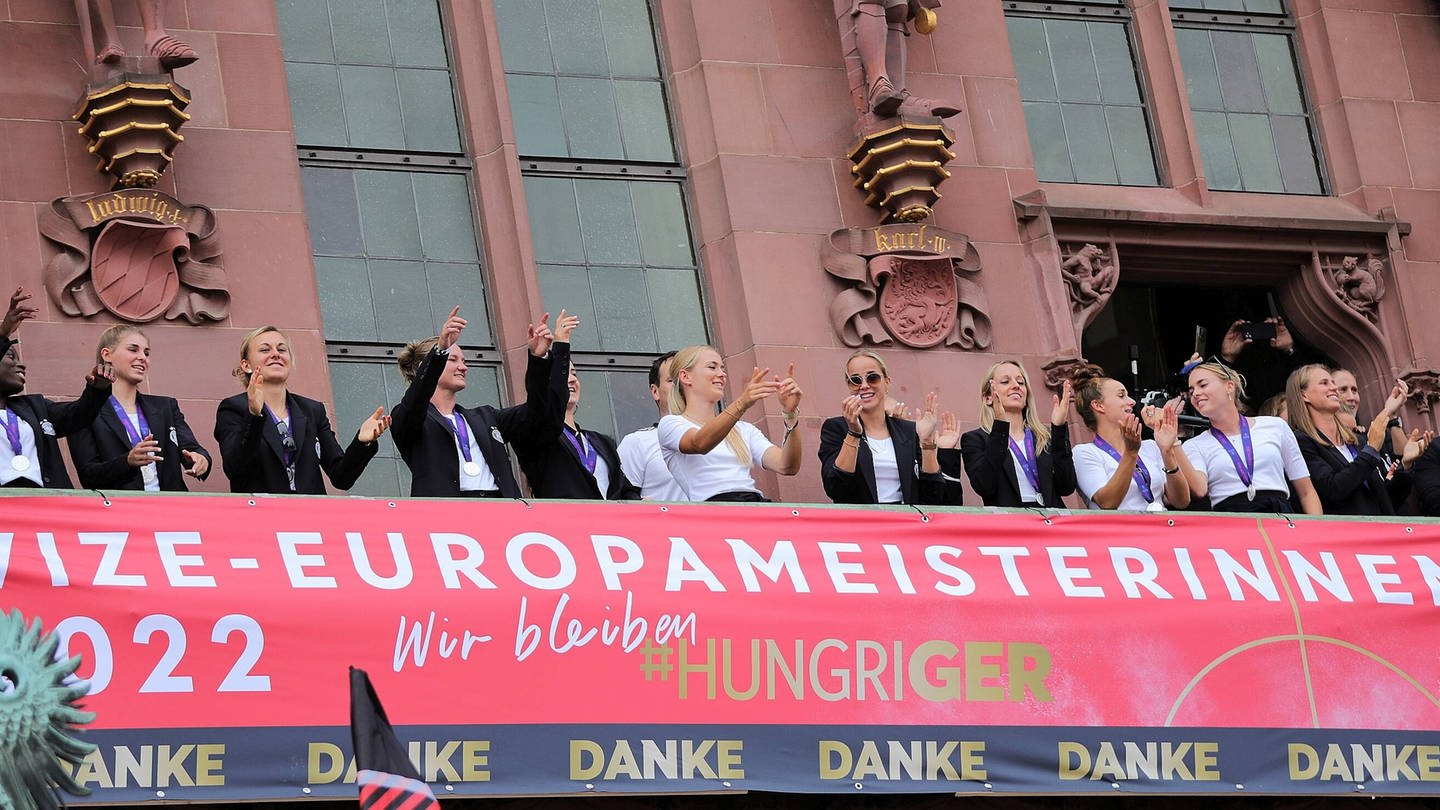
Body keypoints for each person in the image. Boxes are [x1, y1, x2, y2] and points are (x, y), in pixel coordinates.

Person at [391, 308, 572, 498]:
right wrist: (440, 350)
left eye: (464, 361)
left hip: (500, 511)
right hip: (447, 515)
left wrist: (539, 359)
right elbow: (415, 401)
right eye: (453, 359)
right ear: (424, 366)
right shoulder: (409, 418)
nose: (463, 367)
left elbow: (541, 415)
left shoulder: (486, 418)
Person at [214, 325, 390, 494]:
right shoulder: (233, 409)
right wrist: (255, 416)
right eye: (265, 350)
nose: (275, 354)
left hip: (309, 518)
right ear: (246, 365)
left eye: (282, 350)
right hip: (261, 517)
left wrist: (362, 442)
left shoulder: (312, 410)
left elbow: (341, 477)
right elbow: (235, 469)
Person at [68, 324, 211, 491]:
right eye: (133, 350)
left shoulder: (166, 407)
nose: (143, 357)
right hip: (119, 510)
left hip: (171, 509)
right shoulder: (83, 412)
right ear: (107, 355)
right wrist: (127, 461)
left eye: (147, 353)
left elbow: (192, 448)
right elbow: (88, 475)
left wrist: (201, 459)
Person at [0, 287, 114, 488]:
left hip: (43, 504)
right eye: (11, 357)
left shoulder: (36, 407)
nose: (22, 365)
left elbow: (79, 415)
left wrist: (98, 389)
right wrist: (2, 334)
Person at [658, 346, 803, 502]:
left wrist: (790, 414)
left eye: (722, 368)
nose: (721, 374)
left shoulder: (744, 429)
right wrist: (741, 404)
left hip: (753, 506)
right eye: (712, 367)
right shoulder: (671, 424)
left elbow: (787, 466)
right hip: (713, 513)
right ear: (685, 377)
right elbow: (699, 443)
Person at [817, 349, 959, 505]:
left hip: (904, 521)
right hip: (860, 523)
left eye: (872, 378)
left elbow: (933, 495)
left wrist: (927, 442)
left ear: (887, 382)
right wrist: (854, 433)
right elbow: (835, 489)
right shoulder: (836, 428)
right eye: (855, 380)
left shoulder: (908, 430)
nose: (864, 386)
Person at [1180, 358, 1321, 514]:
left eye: (1203, 385)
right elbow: (1199, 490)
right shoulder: (1194, 445)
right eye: (1191, 391)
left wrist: (1317, 531)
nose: (1196, 394)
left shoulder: (1275, 426)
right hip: (1231, 522)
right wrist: (1172, 442)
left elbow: (1306, 492)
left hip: (1279, 517)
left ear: (1229, 386)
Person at [1284, 365, 1428, 516]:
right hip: (1347, 535)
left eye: (1333, 383)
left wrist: (1405, 465)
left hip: (1383, 533)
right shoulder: (1301, 442)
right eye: (1324, 383)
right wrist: (1371, 449)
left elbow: (1387, 500)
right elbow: (1334, 489)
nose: (1333, 388)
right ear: (1304, 395)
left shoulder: (1357, 442)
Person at [1070, 364, 1191, 511]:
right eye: (1121, 395)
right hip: (1123, 532)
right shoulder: (1084, 453)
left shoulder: (1150, 446)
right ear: (1098, 405)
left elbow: (1182, 501)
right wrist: (1131, 453)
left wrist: (1167, 450)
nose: (1132, 402)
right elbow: (1107, 503)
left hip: (1162, 529)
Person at [514, 362, 640, 500]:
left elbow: (625, 490)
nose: (572, 379)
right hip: (565, 519)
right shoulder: (539, 437)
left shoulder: (603, 442)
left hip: (608, 520)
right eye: (561, 373)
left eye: (574, 373)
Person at [959, 361, 1076, 507]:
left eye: (1021, 382)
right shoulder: (975, 439)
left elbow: (1067, 487)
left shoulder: (1045, 436)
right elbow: (984, 486)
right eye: (1005, 381)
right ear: (988, 397)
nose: (1016, 386)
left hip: (1051, 523)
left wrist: (1058, 429)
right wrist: (1000, 427)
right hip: (1011, 524)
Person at [617, 351, 687, 501]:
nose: (681, 384)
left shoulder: (720, 439)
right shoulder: (637, 442)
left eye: (686, 377)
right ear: (655, 391)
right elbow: (623, 501)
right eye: (672, 380)